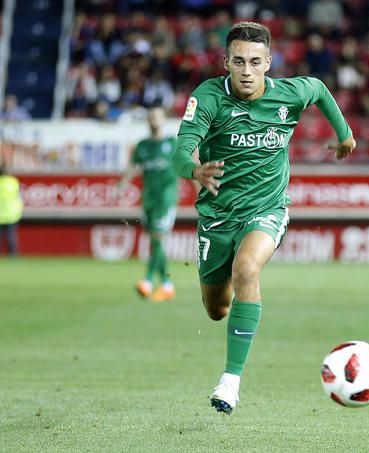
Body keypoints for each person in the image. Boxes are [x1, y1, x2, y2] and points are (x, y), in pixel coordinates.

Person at [172, 22, 355, 414]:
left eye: (255, 61)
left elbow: (319, 89)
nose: (247, 70)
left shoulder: (288, 94)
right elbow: (180, 151)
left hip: (267, 209)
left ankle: (230, 381)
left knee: (247, 270)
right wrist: (195, 170)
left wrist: (344, 134)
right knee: (217, 309)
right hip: (217, 216)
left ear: (268, 63)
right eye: (238, 61)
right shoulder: (207, 98)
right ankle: (228, 309)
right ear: (226, 62)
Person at [119, 106, 178, 302]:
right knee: (155, 241)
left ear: (163, 120)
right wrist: (122, 183)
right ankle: (165, 284)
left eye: (157, 117)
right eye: (151, 117)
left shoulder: (172, 143)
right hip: (149, 199)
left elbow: (187, 165)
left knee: (157, 238)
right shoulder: (143, 145)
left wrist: (200, 193)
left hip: (166, 198)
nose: (154, 120)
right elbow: (134, 167)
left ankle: (149, 281)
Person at [0, 161, 23, 256]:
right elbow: (19, 195)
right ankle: (13, 256)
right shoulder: (13, 181)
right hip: (12, 213)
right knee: (11, 237)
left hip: (1, 214)